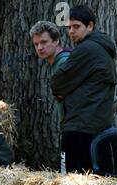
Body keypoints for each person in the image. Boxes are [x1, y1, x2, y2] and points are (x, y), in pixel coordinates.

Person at [51, 5, 116, 174]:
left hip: (80, 127)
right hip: (95, 126)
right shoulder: (101, 47)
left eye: (76, 26)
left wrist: (63, 93)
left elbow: (57, 83)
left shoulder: (87, 48)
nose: (71, 31)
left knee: (71, 184)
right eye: (68, 27)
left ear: (90, 26)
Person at [30, 21, 72, 173]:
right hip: (72, 125)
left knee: (69, 173)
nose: (40, 47)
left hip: (75, 127)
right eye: (36, 44)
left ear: (56, 41)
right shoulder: (58, 62)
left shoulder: (64, 62)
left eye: (44, 42)